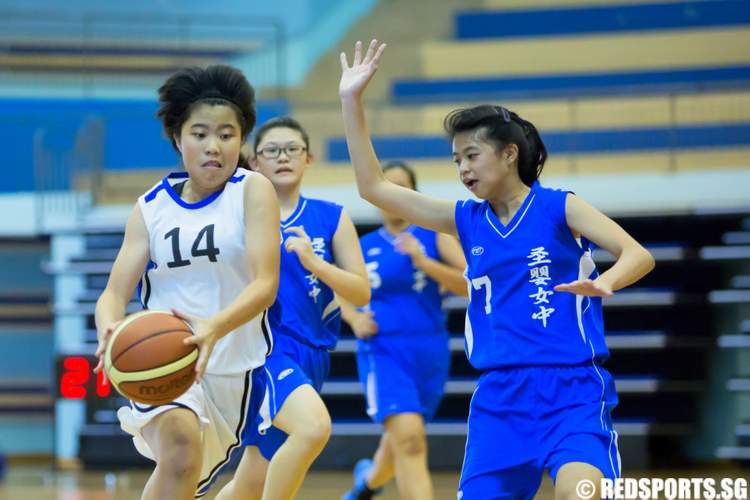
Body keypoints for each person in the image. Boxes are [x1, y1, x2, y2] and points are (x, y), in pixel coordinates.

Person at [338, 40, 656, 500]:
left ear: (509, 154)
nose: (463, 168)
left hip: (572, 389)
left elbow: (637, 255)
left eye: (472, 155)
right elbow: (373, 187)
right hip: (500, 397)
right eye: (456, 160)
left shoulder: (558, 206)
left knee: (581, 492)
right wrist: (352, 100)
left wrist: (604, 280)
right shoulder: (465, 220)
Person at [94, 65, 281, 499]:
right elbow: (114, 293)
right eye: (200, 134)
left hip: (232, 366)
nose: (213, 146)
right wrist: (110, 328)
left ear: (241, 141)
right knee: (179, 451)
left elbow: (265, 284)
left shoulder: (252, 190)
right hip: (165, 359)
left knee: (186, 476)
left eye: (227, 134)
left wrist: (214, 327)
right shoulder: (151, 208)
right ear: (179, 139)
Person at [216, 116, 370, 500]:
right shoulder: (238, 216)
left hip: (313, 352)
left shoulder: (332, 216)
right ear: (254, 162)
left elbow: (361, 292)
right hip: (265, 348)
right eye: (271, 150)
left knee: (252, 479)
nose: (282, 157)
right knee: (313, 428)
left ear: (309, 158)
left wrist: (315, 262)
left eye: (292, 150)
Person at [340, 160, 467, 500]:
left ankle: (366, 484)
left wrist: (424, 262)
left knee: (402, 439)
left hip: (430, 349)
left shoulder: (435, 236)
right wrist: (354, 319)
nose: (393, 194)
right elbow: (340, 291)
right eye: (387, 187)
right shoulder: (363, 245)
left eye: (401, 187)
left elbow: (471, 285)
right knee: (410, 439)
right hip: (383, 351)